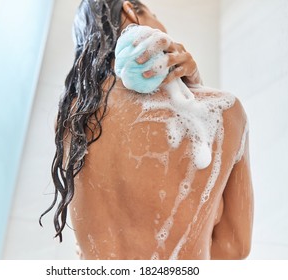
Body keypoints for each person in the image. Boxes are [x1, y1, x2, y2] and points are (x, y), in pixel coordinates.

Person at [40, 0, 253, 260]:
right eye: (155, 14)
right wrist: (197, 91)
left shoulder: (72, 119)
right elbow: (233, 247)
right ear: (131, 9)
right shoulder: (225, 112)